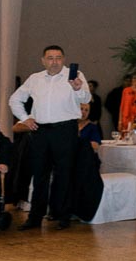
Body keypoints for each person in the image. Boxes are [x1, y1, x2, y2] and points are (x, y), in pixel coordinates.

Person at [8, 45, 91, 229]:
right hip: (40, 130)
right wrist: (25, 119)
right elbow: (14, 99)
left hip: (65, 129)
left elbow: (86, 98)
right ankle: (35, 217)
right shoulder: (35, 78)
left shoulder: (75, 75)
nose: (54, 62)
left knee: (64, 173)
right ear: (43, 60)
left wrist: (77, 89)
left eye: (58, 58)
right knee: (39, 174)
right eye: (50, 58)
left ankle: (62, 215)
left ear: (64, 59)